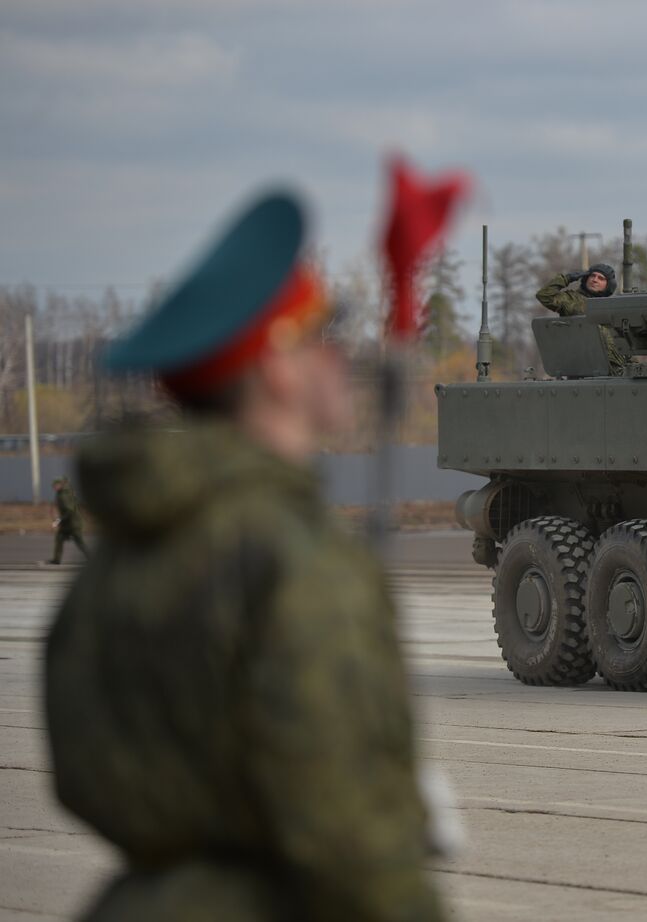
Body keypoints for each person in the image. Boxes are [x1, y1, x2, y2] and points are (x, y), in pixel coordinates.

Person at [44, 190, 444, 921]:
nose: (342, 357)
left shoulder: (125, 551)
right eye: (325, 333)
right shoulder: (291, 559)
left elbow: (84, 773)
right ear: (280, 368)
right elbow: (350, 837)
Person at [535, 263, 625, 373]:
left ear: (608, 285)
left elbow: (625, 342)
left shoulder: (612, 307)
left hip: (616, 371)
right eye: (592, 276)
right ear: (586, 278)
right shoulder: (572, 299)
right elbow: (544, 296)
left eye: (601, 278)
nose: (595, 280)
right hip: (584, 367)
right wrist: (567, 278)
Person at [49, 476, 88, 565]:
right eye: (53, 486)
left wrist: (58, 520)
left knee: (80, 543)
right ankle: (56, 560)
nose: (54, 487)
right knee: (59, 538)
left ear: (60, 485)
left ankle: (91, 558)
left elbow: (69, 511)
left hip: (74, 524)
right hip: (67, 524)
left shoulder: (64, 495)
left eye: (56, 485)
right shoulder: (62, 493)